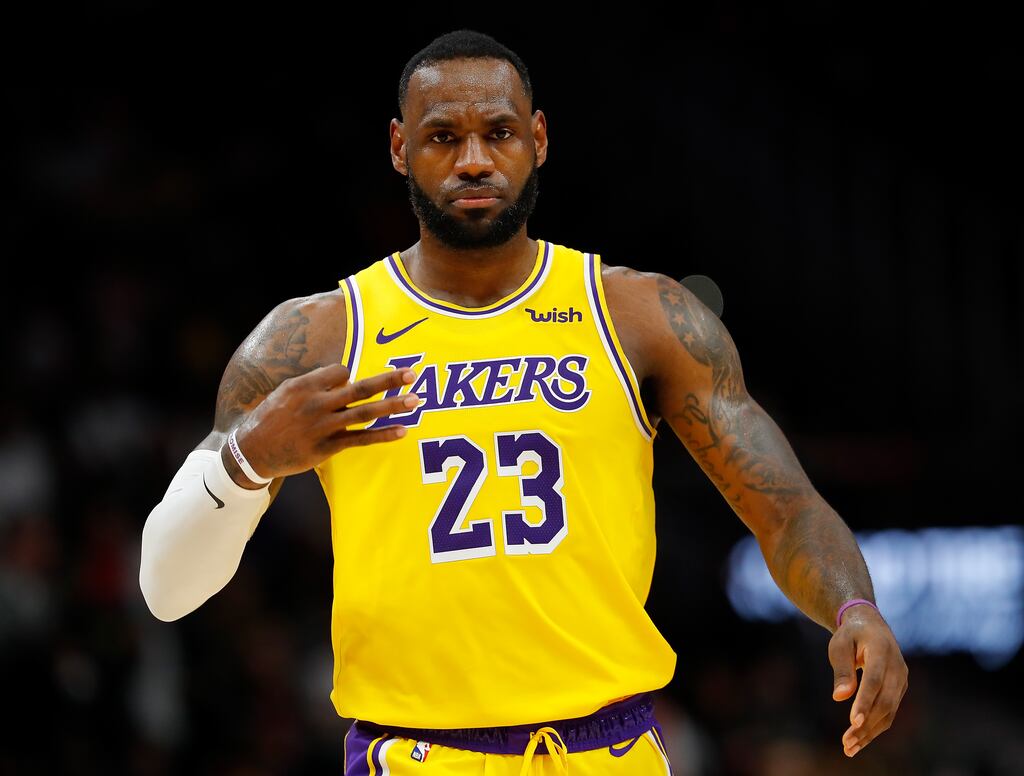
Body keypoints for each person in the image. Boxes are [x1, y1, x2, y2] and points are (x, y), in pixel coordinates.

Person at [139, 29, 908, 775]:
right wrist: (244, 460)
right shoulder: (315, 337)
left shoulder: (640, 318)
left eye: (498, 132)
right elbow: (167, 592)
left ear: (537, 138)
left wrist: (854, 610)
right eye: (442, 137)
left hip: (613, 750)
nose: (473, 160)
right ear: (400, 148)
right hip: (417, 755)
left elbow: (786, 508)